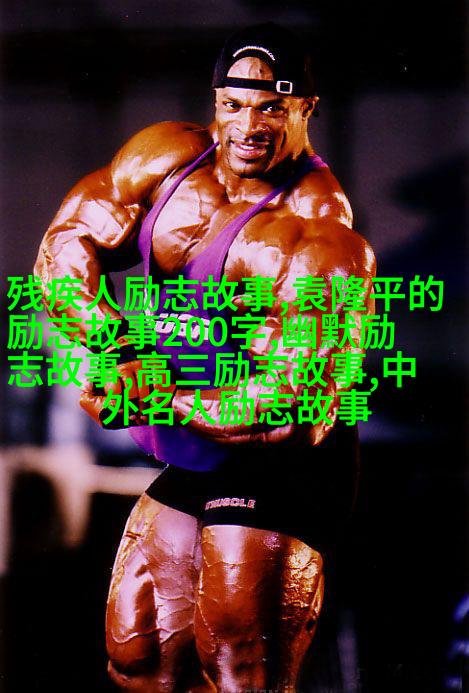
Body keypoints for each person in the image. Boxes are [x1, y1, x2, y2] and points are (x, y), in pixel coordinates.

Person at [35, 23, 375, 692]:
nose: (248, 126)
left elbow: (294, 409)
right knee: (138, 656)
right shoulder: (168, 158)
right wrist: (116, 352)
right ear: (214, 101)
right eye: (233, 104)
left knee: (237, 664)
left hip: (283, 467)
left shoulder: (319, 234)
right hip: (194, 453)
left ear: (305, 109)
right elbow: (64, 249)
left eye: (271, 108)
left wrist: (154, 394)